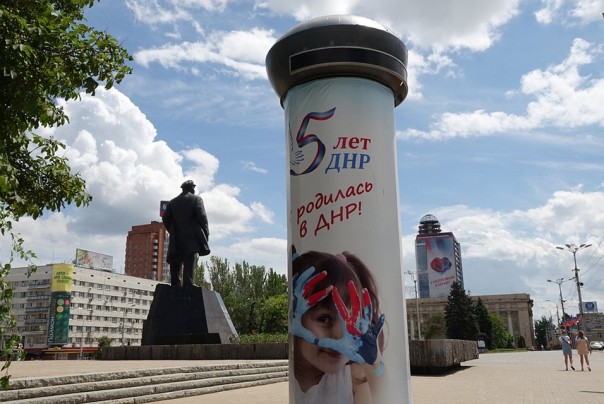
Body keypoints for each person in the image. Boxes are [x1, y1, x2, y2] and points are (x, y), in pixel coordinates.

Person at [291, 248, 386, 404]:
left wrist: (374, 365)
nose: (340, 333)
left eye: (351, 320)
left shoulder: (354, 378)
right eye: (324, 319)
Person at [162, 180, 210, 287]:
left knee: (175, 260)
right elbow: (202, 217)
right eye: (193, 187)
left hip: (176, 238)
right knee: (188, 259)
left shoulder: (172, 202)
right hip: (190, 237)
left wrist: (172, 230)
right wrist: (206, 232)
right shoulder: (196, 199)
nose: (194, 190)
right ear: (190, 188)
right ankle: (188, 283)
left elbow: (165, 218)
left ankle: (175, 284)